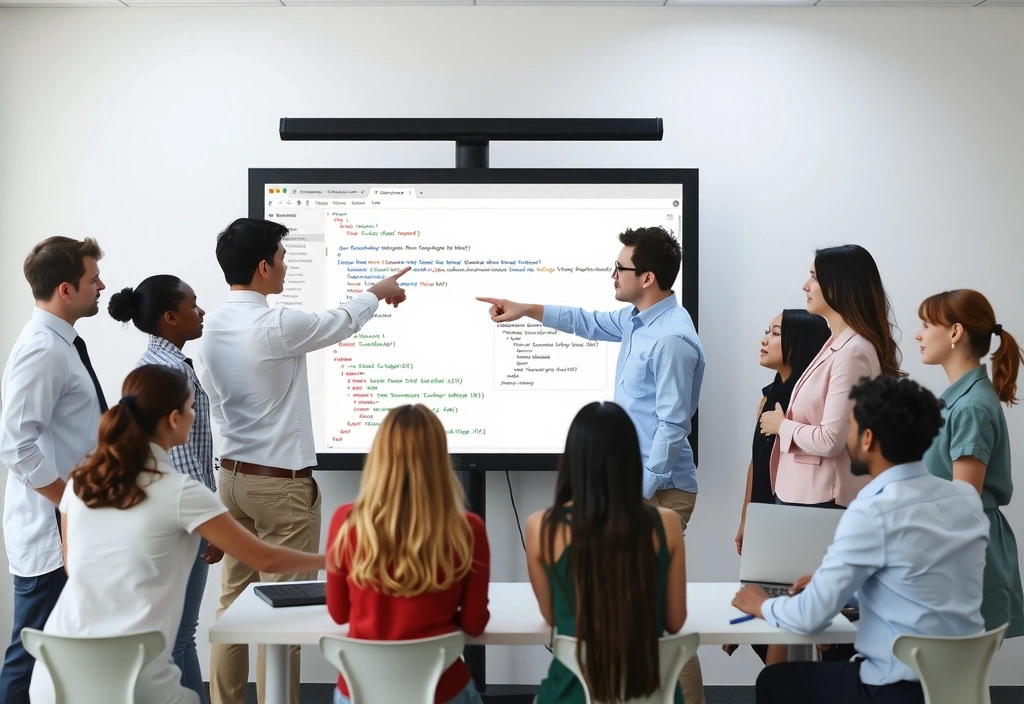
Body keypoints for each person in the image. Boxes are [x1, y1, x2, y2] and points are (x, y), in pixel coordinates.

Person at [479, 226, 704, 704]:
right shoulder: (638, 320)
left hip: (657, 491)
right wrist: (526, 309)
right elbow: (587, 321)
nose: (613, 275)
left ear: (647, 277)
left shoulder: (672, 339)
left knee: (651, 613)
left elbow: (671, 428)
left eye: (620, 268)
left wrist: (636, 496)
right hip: (635, 488)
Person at [200, 218, 410, 704]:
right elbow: (340, 321)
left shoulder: (210, 324)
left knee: (232, 606)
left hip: (231, 481)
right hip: (280, 489)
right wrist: (377, 292)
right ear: (263, 267)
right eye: (282, 256)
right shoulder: (275, 324)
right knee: (282, 617)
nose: (286, 264)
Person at [27, 365, 325, 704]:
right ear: (173, 419)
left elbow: (72, 566)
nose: (195, 417)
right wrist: (335, 559)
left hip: (52, 678)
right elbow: (265, 557)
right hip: (134, 683)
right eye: (190, 408)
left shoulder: (81, 481)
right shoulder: (181, 491)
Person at [732, 375, 990, 704]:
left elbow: (810, 616)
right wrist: (850, 591)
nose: (846, 437)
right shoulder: (965, 499)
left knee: (774, 680)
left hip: (892, 691)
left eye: (850, 427)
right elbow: (920, 579)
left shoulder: (872, 510)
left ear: (868, 439)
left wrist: (762, 603)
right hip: (961, 687)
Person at [0, 236, 107, 703]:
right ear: (66, 289)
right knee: (30, 655)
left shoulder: (62, 343)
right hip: (51, 534)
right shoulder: (44, 349)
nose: (102, 285)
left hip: (69, 527)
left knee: (61, 655)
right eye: (92, 278)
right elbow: (14, 445)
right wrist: (68, 504)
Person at [326, 404, 490, 704]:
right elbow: (474, 624)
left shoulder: (345, 521)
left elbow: (339, 614)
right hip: (442, 692)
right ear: (440, 459)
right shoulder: (467, 528)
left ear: (379, 457)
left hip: (360, 692)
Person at [525, 401, 687, 704]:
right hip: (652, 693)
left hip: (570, 694)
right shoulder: (667, 524)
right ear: (630, 458)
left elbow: (552, 617)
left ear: (572, 459)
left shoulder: (541, 527)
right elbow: (675, 622)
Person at [108, 275, 220, 702]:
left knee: (175, 635)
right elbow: (184, 457)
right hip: (183, 520)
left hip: (167, 516)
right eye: (194, 304)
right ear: (171, 317)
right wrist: (208, 521)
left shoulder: (154, 365)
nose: (201, 311)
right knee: (180, 636)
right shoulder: (171, 373)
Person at [759, 244, 903, 509]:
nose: (805, 286)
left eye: (814, 277)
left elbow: (830, 440)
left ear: (839, 286)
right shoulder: (837, 344)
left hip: (821, 499)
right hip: (805, 495)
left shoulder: (853, 352)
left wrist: (782, 426)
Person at [917, 289, 1024, 639]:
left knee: (952, 683)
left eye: (926, 324)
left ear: (955, 332)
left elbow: (963, 504)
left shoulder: (970, 408)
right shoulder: (961, 401)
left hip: (963, 555)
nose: (919, 334)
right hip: (957, 551)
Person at [729, 309, 829, 665]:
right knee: (768, 621)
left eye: (774, 333)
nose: (764, 340)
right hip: (766, 517)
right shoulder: (767, 396)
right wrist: (746, 520)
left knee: (783, 619)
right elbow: (756, 463)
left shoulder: (810, 401)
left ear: (798, 343)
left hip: (792, 522)